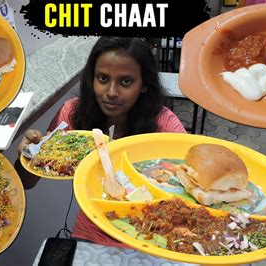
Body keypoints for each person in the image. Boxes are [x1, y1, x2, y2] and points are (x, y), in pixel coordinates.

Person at [18, 36, 187, 247]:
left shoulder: (163, 123)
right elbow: (27, 182)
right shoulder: (72, 114)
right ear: (92, 79)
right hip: (92, 232)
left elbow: (190, 180)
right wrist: (27, 154)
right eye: (103, 78)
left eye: (126, 81)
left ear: (144, 84)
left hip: (152, 236)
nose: (111, 93)